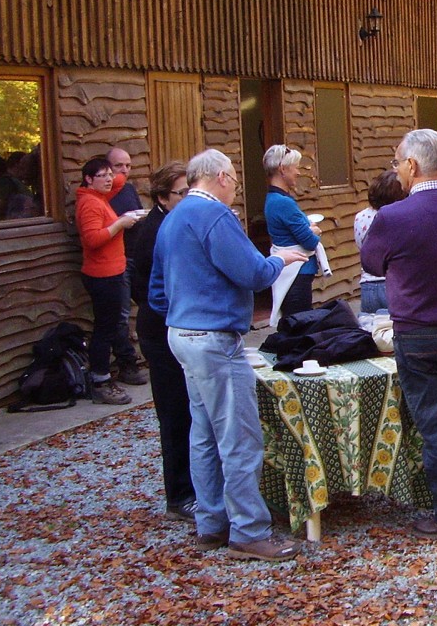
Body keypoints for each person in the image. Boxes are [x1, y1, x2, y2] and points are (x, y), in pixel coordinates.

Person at [149, 149, 308, 561]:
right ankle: (249, 531)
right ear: (220, 176)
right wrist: (278, 260)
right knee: (239, 437)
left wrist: (182, 312)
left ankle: (212, 522)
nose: (237, 187)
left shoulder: (173, 218)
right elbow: (251, 272)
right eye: (235, 179)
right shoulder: (214, 216)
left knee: (203, 432)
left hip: (181, 333)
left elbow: (157, 288)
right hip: (213, 338)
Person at [360, 129, 437, 540]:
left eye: (398, 161)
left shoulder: (392, 217)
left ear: (411, 166)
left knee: (436, 425)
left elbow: (374, 264)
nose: (395, 169)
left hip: (418, 332)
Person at [130, 161, 195, 522]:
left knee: (191, 411)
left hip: (179, 325)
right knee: (174, 414)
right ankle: (179, 495)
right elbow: (147, 288)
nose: (188, 199)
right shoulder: (151, 231)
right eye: (182, 193)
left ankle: (195, 487)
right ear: (162, 197)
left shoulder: (175, 223)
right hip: (161, 329)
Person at [75, 156, 144, 405]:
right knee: (105, 330)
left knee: (111, 326)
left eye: (109, 174)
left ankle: (105, 377)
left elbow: (121, 180)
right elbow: (92, 240)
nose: (109, 179)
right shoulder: (89, 204)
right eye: (102, 175)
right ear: (88, 179)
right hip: (102, 275)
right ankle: (101, 381)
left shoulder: (99, 197)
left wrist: (117, 170)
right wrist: (120, 224)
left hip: (112, 271)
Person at [263, 145, 325, 326]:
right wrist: (313, 231)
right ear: (282, 169)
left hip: (293, 272)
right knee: (299, 325)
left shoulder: (274, 200)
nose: (298, 172)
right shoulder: (283, 203)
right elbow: (309, 241)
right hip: (297, 273)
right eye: (295, 167)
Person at [106, 146, 148, 386]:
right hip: (117, 259)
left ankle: (152, 351)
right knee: (120, 314)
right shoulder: (103, 194)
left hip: (137, 256)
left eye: (128, 165)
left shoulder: (129, 189)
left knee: (149, 303)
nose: (124, 170)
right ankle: (126, 364)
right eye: (118, 166)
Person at [354, 170, 405, 315]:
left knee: (371, 330)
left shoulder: (360, 217)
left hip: (368, 286)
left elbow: (361, 246)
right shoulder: (398, 217)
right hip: (393, 283)